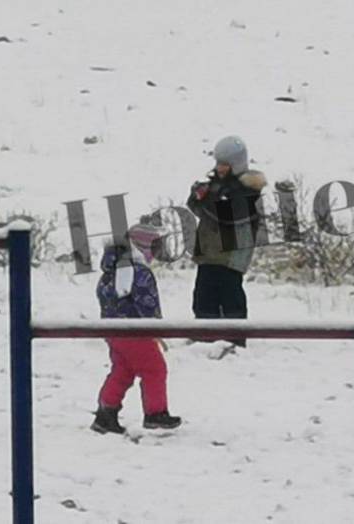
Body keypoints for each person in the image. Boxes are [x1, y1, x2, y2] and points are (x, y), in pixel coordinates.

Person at [92, 239, 181, 434]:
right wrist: (155, 326)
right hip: (135, 330)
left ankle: (106, 414)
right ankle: (155, 413)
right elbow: (146, 303)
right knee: (155, 369)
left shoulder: (107, 275)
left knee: (122, 372)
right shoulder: (139, 272)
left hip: (112, 331)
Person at [186, 135, 267, 324]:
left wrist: (206, 199)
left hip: (231, 256)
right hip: (208, 253)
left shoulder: (248, 190)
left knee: (231, 301)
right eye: (219, 163)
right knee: (203, 300)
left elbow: (226, 215)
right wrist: (197, 197)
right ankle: (204, 338)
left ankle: (234, 339)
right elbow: (202, 211)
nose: (220, 168)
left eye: (225, 164)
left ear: (236, 164)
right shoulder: (216, 186)